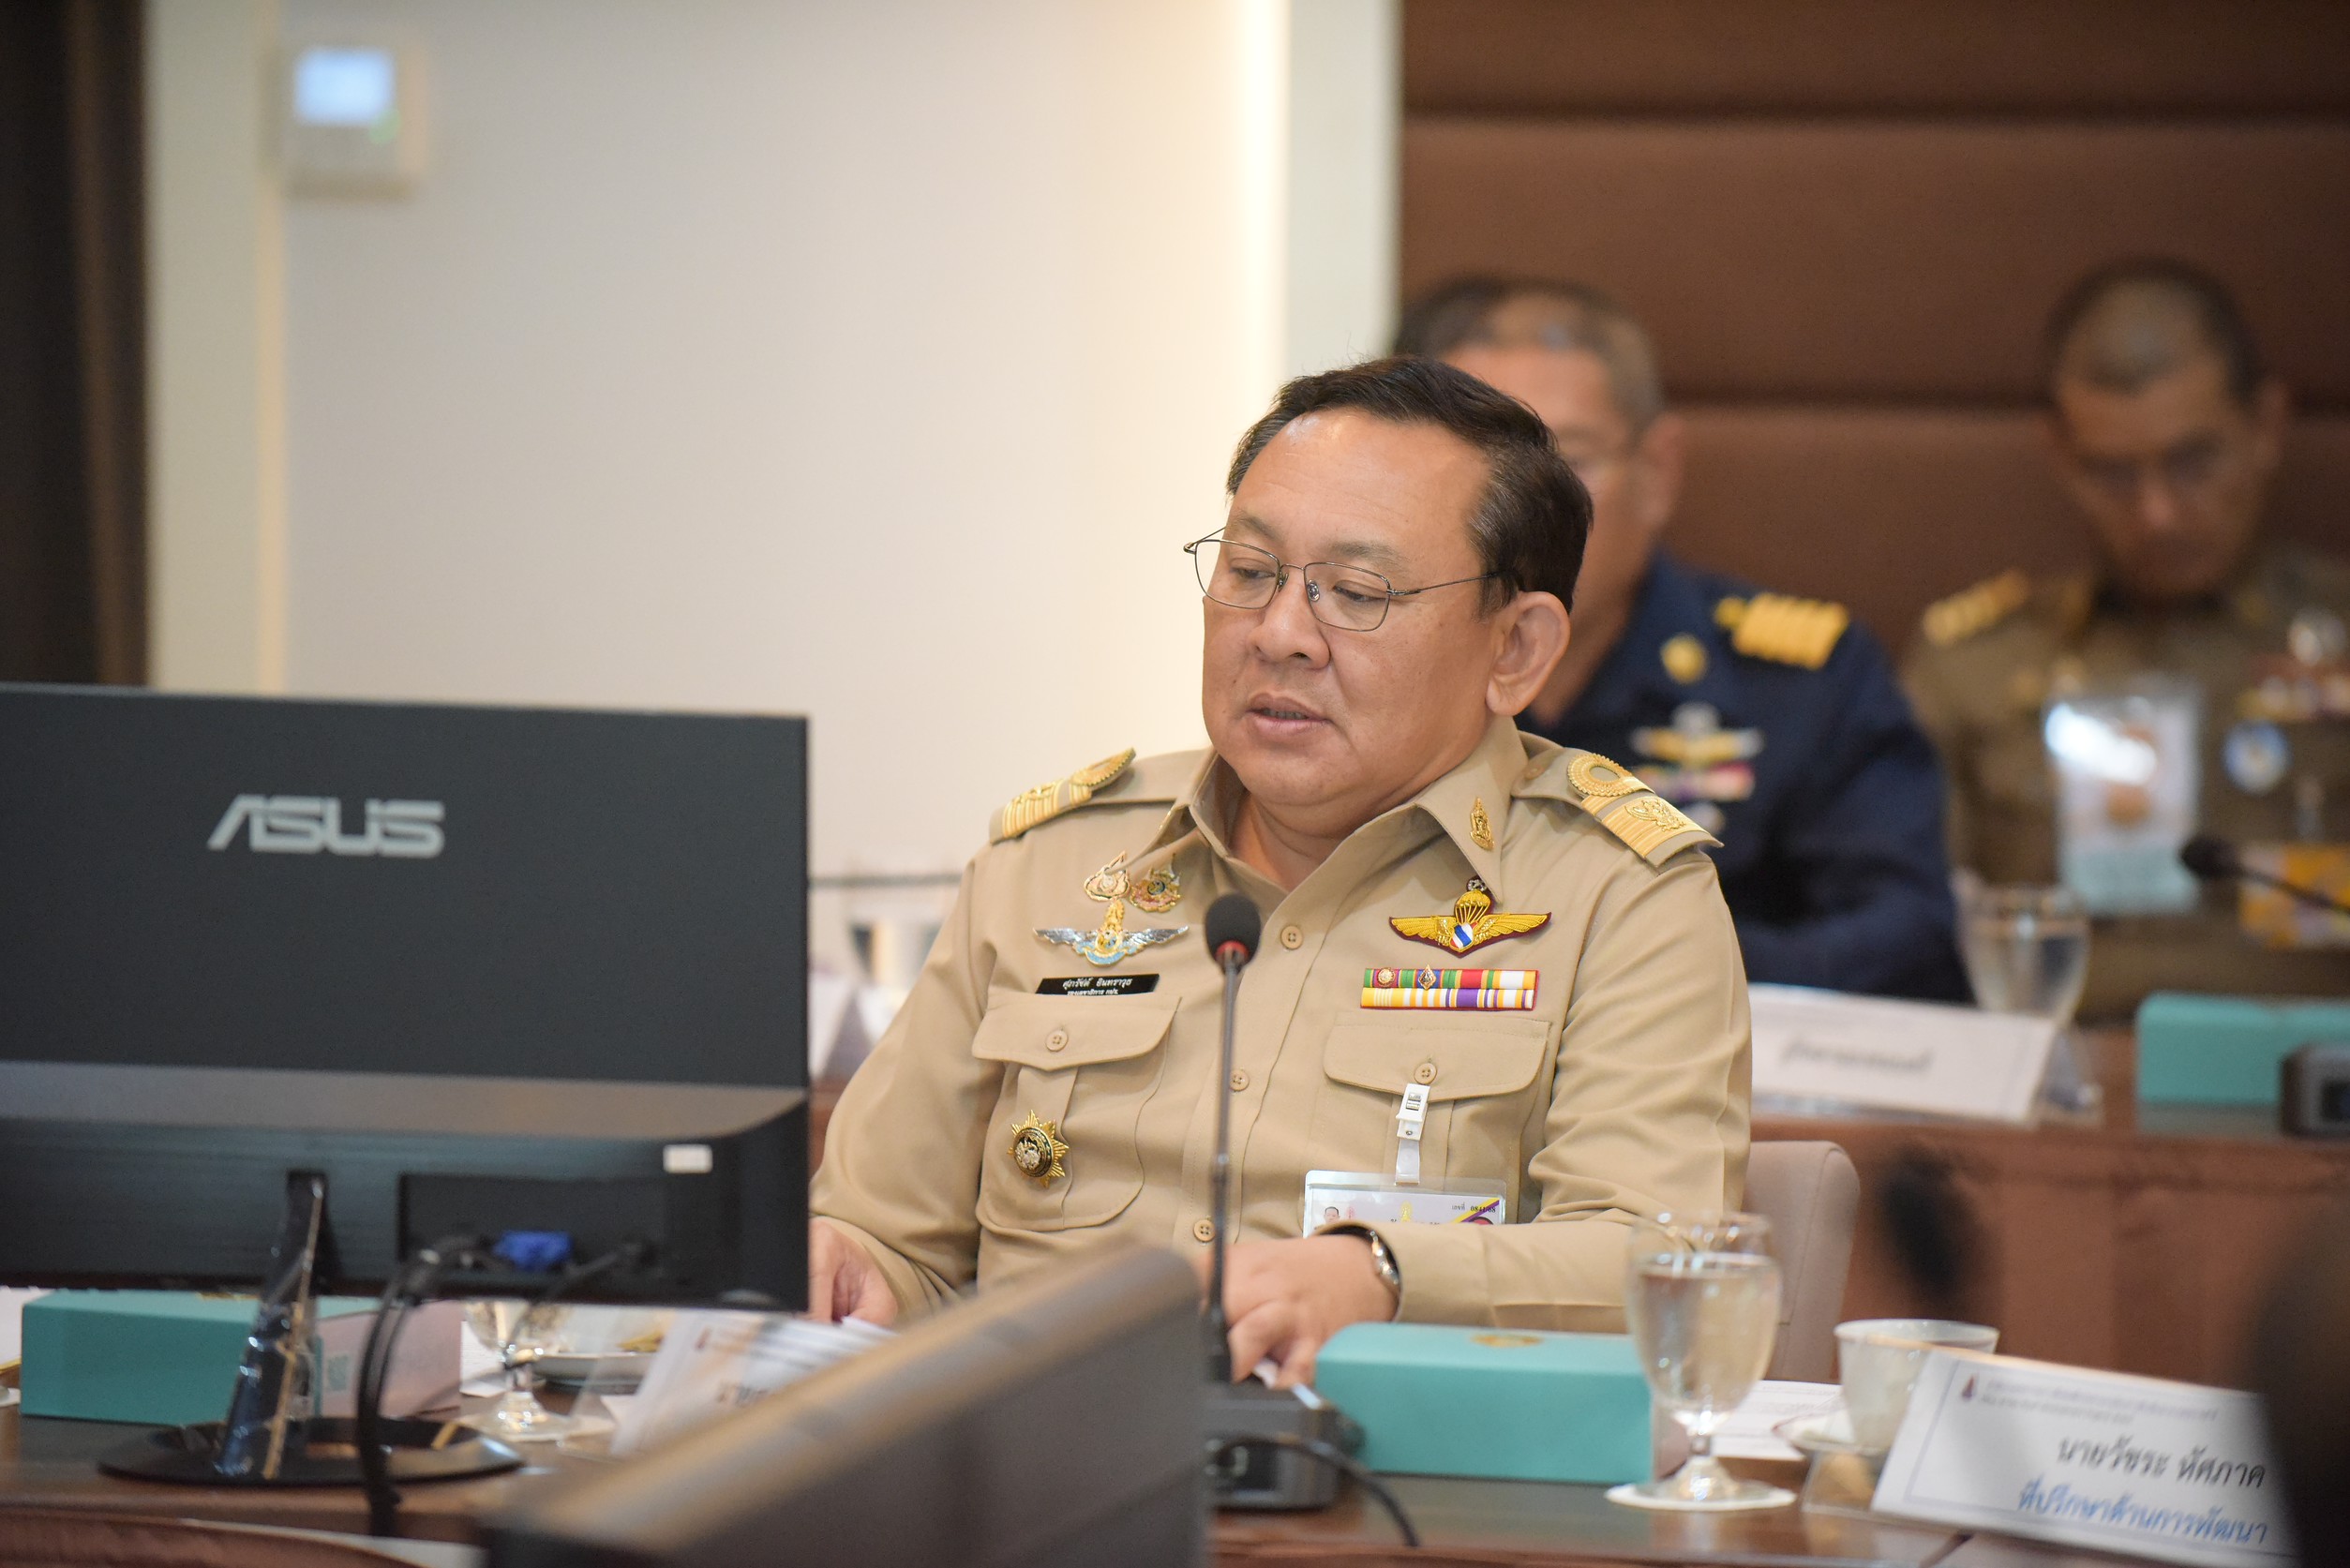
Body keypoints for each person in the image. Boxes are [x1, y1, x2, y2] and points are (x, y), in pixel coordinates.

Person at [809, 358, 1750, 1385]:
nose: (1280, 633)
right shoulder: (1053, 863)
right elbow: (887, 1233)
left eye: (1356, 592)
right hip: (1037, 1449)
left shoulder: (1617, 894)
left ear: (1514, 649)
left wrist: (1383, 1275)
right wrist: (851, 1266)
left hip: (1388, 1466)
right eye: (1250, 572)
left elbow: (1656, 1260)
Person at [1397, 278, 1968, 1002]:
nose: (1521, 513)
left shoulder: (1798, 682)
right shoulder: (1364, 666)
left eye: (1567, 463)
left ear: (1656, 472)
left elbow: (1907, 941)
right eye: (1477, 468)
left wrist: (1635, 957)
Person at [1902, 259, 2350, 1016]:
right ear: (2057, 455)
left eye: (2192, 462)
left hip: (2304, 1069)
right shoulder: (1973, 666)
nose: (2156, 514)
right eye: (2112, 473)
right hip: (2053, 1070)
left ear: (2267, 426)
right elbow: (1909, 937)